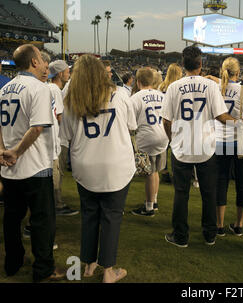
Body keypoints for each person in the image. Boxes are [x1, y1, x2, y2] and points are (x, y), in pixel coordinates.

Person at [60, 55, 137, 283]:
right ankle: (108, 272)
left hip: (85, 165)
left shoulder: (72, 99)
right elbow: (132, 126)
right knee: (111, 217)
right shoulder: (121, 95)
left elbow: (65, 137)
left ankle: (89, 264)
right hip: (116, 165)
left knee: (89, 215)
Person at [0, 44, 65, 282]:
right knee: (42, 221)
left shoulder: (5, 88)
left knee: (12, 219)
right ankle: (43, 269)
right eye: (40, 58)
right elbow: (37, 127)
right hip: (34, 166)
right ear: (34, 62)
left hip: (9, 169)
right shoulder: (38, 88)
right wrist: (16, 151)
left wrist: (2, 150)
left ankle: (12, 264)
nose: (44, 62)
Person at [161, 46, 236, 248]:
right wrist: (241, 123)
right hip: (206, 146)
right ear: (200, 64)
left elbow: (166, 121)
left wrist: (171, 140)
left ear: (183, 64)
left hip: (182, 145)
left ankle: (181, 236)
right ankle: (210, 235)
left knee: (181, 194)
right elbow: (221, 116)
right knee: (209, 193)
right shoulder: (211, 86)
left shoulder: (174, 87)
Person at [214, 57, 243, 237]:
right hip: (240, 143)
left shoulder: (216, 89)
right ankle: (238, 225)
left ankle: (219, 225)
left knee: (220, 184)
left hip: (220, 142)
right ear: (238, 73)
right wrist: (242, 121)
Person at [130, 68, 169, 216]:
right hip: (163, 136)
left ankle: (149, 207)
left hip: (147, 138)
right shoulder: (161, 95)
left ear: (138, 81)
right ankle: (154, 201)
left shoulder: (135, 98)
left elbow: (131, 123)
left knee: (149, 173)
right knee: (155, 171)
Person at [48, 60, 78, 216]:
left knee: (57, 173)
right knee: (57, 174)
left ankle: (56, 203)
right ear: (60, 73)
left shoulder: (54, 88)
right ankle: (57, 204)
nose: (69, 73)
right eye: (67, 71)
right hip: (58, 138)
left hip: (57, 138)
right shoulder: (55, 88)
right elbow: (60, 117)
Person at [158, 63, 183, 184]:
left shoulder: (161, 86)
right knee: (176, 148)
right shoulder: (178, 87)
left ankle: (164, 172)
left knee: (164, 149)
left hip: (162, 120)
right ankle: (176, 173)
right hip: (175, 120)